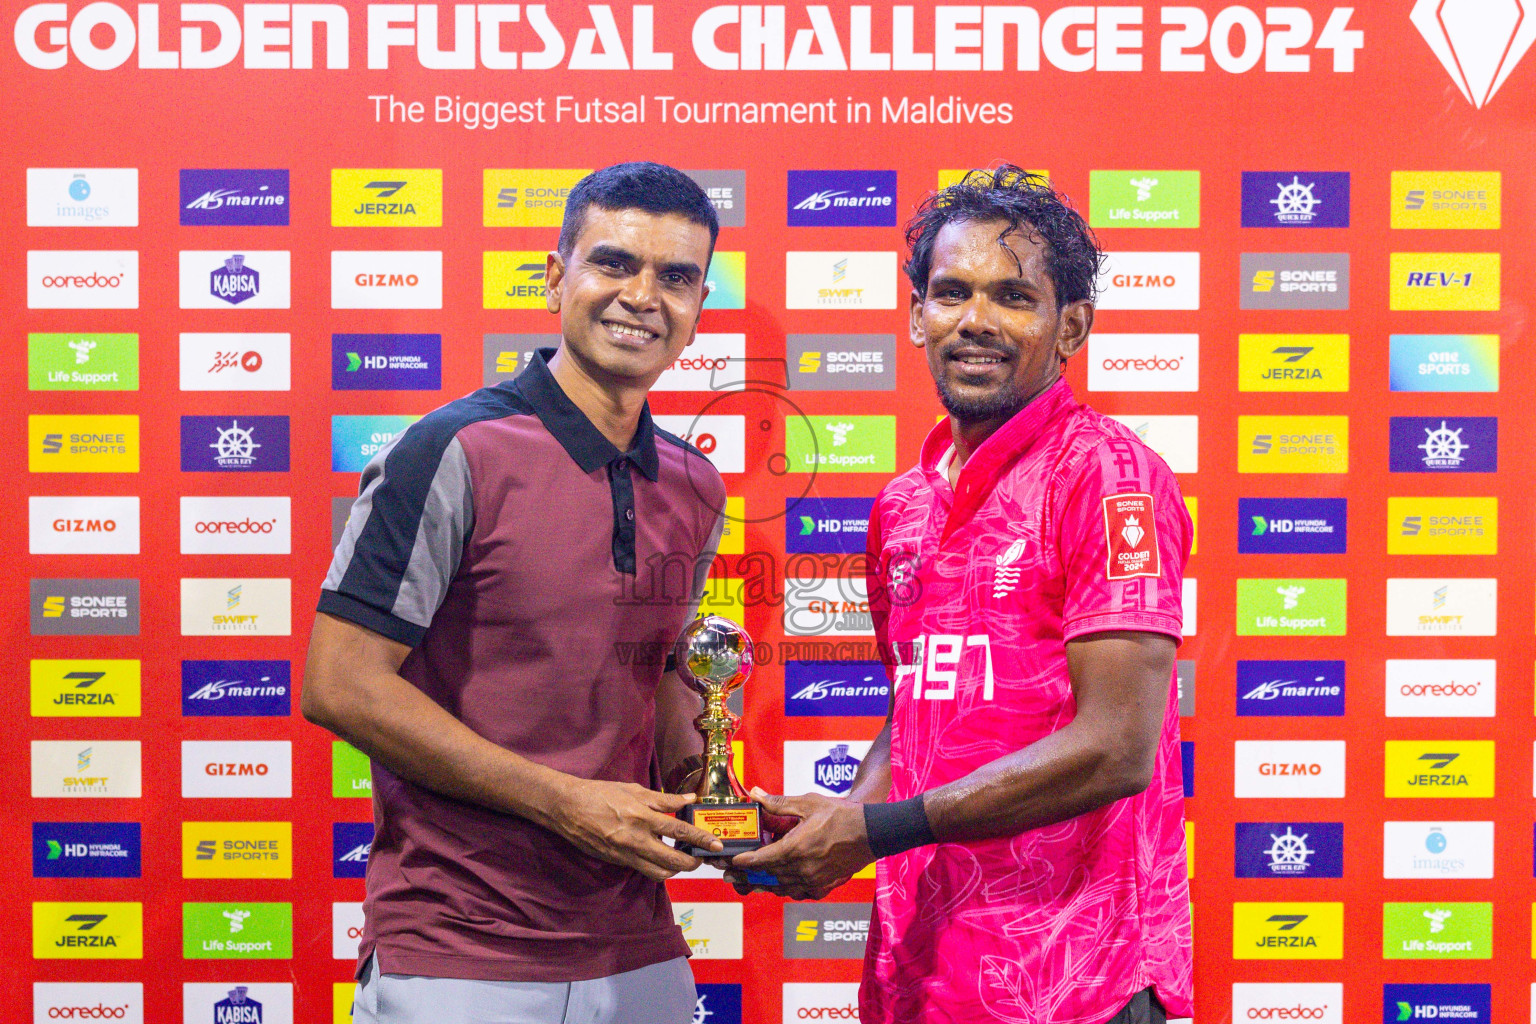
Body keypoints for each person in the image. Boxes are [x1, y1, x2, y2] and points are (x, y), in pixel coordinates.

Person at [731, 166, 1193, 1024]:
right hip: (923, 976)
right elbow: (923, 711)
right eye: (952, 292)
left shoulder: (1108, 473)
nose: (976, 320)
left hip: (1075, 985)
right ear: (917, 316)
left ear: (1072, 326)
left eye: (1014, 296)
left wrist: (878, 832)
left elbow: (1117, 746)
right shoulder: (903, 503)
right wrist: (838, 818)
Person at [302, 161, 732, 1024]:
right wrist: (566, 802)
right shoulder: (454, 448)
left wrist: (722, 807)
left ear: (696, 311)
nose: (642, 296)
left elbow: (662, 688)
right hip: (460, 949)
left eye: (675, 277)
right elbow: (338, 682)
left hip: (638, 945)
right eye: (614, 263)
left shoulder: (696, 484)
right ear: (554, 278)